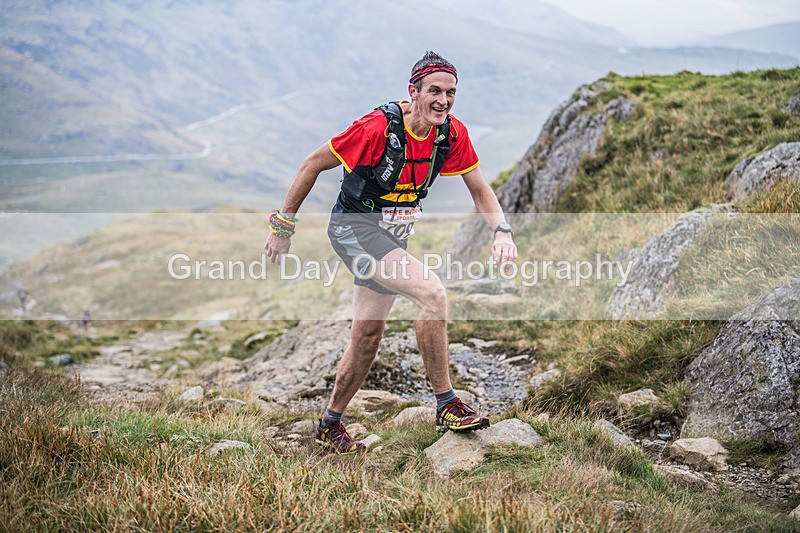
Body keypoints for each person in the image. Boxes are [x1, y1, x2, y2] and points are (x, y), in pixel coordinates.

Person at [264, 51, 517, 454]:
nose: (443, 101)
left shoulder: (451, 134)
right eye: (434, 91)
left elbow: (480, 188)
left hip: (393, 236)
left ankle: (330, 423)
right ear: (413, 91)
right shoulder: (376, 128)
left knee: (367, 335)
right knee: (432, 294)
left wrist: (501, 230)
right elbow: (312, 164)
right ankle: (447, 404)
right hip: (355, 229)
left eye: (451, 92)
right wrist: (283, 225)